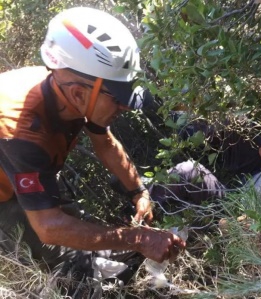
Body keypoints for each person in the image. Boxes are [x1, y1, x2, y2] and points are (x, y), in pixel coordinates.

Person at [0, 6, 186, 286]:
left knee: (94, 243)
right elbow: (49, 228)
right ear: (79, 93)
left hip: (23, 174)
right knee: (76, 272)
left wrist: (139, 192)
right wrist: (138, 238)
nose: (125, 105)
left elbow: (106, 143)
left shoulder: (71, 90)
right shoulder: (22, 132)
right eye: (118, 97)